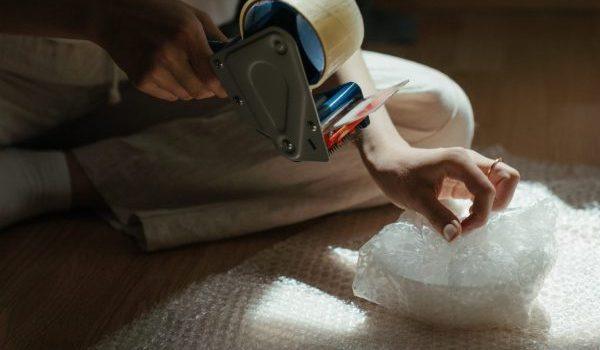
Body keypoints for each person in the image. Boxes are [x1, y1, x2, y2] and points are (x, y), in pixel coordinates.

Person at [0, 0, 519, 250]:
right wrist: (100, 16)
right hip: (17, 67)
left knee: (437, 114)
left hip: (171, 77)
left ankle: (50, 177)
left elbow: (319, 11)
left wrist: (384, 147)